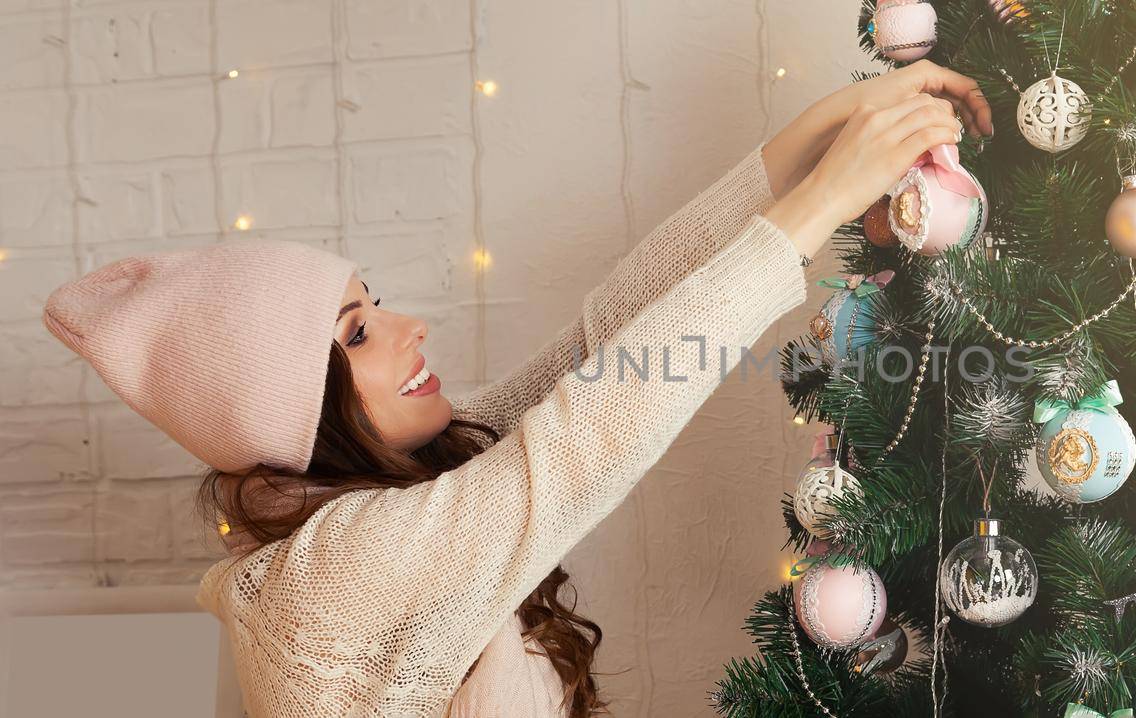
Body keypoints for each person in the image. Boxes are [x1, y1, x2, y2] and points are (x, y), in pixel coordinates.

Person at [40, 60, 992, 717]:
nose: (410, 329)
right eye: (359, 333)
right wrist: (823, 201)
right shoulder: (328, 574)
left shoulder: (408, 485)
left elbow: (605, 338)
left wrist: (827, 127)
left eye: (379, 304)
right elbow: (588, 432)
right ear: (294, 409)